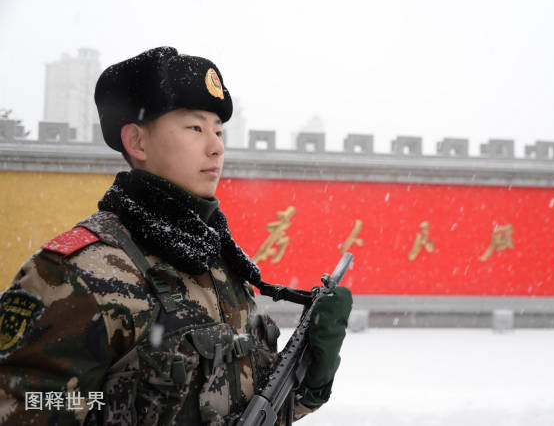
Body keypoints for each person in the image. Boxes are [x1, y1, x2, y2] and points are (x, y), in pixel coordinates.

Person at [0, 46, 352, 425]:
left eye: (219, 131)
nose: (216, 146)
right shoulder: (75, 275)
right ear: (137, 142)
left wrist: (311, 374)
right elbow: (23, 406)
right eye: (196, 128)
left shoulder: (220, 268)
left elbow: (244, 404)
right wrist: (118, 408)